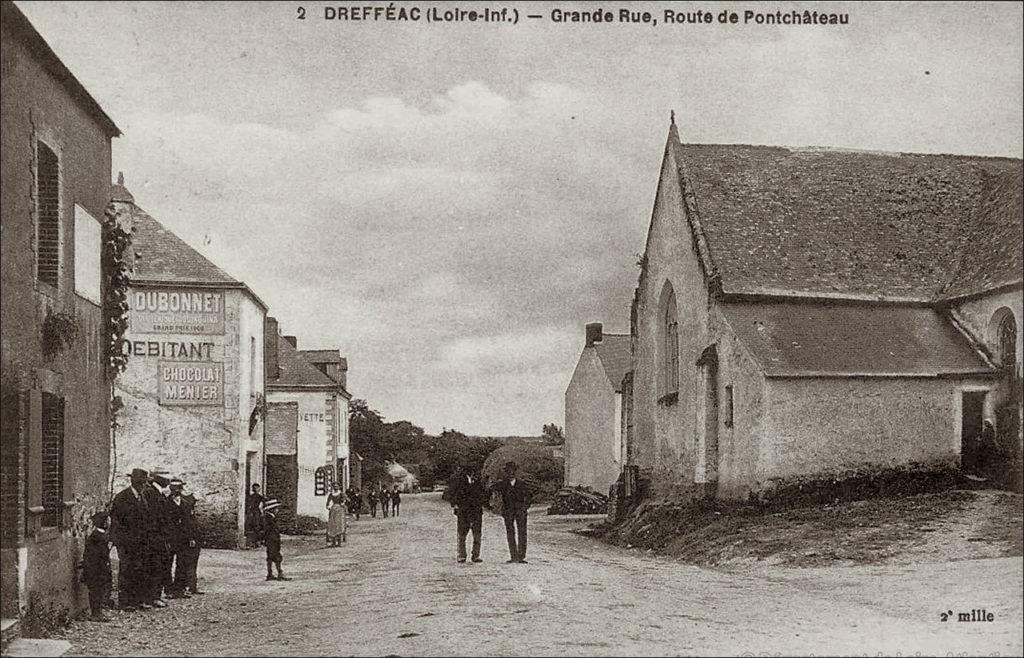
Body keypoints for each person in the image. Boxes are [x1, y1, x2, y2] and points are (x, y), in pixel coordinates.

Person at [109, 468, 152, 610]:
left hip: (141, 542)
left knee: (140, 570)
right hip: (127, 543)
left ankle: (137, 600)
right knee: (127, 570)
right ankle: (125, 602)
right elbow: (116, 521)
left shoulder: (142, 498)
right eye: (140, 483)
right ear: (133, 482)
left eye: (144, 483)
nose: (143, 485)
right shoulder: (122, 498)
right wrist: (121, 542)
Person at [493, 461, 531, 563]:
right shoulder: (502, 484)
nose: (511, 473)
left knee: (522, 533)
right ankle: (513, 556)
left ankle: (521, 556)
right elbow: (492, 491)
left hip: (520, 511)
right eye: (508, 471)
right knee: (510, 533)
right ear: (506, 473)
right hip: (508, 511)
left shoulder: (522, 484)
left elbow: (529, 496)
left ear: (515, 472)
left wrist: (525, 507)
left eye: (512, 471)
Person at [144, 471, 173, 607]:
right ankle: (152, 597)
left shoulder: (159, 493)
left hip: (160, 536)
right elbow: (154, 517)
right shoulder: (151, 493)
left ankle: (156, 595)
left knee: (160, 566)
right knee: (154, 566)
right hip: (155, 536)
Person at [166, 479, 199, 598]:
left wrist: (191, 537)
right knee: (167, 564)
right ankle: (168, 590)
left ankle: (179, 589)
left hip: (183, 538)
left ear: (181, 490)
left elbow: (189, 523)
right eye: (172, 489)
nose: (175, 491)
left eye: (177, 489)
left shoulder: (186, 503)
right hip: (170, 538)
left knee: (182, 564)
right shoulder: (165, 503)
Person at [450, 465, 487, 563]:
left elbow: (482, 494)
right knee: (462, 534)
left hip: (476, 510)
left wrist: (483, 504)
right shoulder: (459, 480)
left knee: (477, 534)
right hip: (464, 510)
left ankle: (475, 555)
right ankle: (461, 555)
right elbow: (454, 493)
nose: (473, 473)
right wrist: (455, 505)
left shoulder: (478, 481)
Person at [81, 511, 112, 622]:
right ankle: (95, 613)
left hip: (98, 569)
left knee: (98, 591)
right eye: (107, 520)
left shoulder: (100, 536)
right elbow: (96, 557)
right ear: (103, 523)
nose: (109, 522)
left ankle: (98, 612)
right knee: (95, 591)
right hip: (95, 570)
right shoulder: (97, 537)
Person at [262, 498, 290, 581]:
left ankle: (270, 573)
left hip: (271, 539)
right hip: (272, 540)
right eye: (276, 508)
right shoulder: (269, 518)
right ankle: (279, 573)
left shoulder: (270, 517)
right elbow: (270, 530)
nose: (277, 510)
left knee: (270, 557)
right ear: (272, 509)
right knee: (276, 556)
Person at [326, 482, 346, 547]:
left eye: (337, 486)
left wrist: (342, 503)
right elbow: (328, 502)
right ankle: (333, 542)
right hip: (333, 509)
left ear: (339, 487)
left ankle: (339, 542)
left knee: (339, 524)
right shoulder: (331, 494)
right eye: (334, 486)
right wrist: (328, 506)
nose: (335, 488)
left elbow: (344, 500)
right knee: (333, 525)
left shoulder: (341, 493)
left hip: (339, 510)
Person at [245, 484, 265, 548]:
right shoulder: (258, 497)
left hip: (253, 512)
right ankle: (256, 542)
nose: (258, 489)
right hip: (255, 512)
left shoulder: (252, 496)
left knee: (254, 527)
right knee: (256, 526)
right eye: (256, 488)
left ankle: (254, 542)